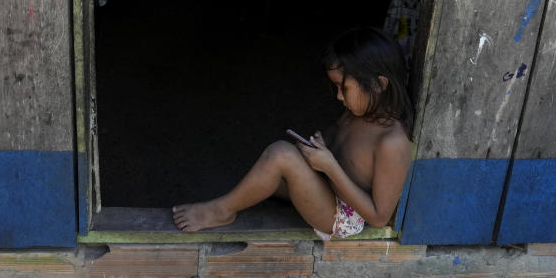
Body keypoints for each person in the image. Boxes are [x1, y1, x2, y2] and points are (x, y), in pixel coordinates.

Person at [172, 27, 414, 239]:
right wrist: (319, 147)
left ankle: (221, 211)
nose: (339, 96)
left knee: (281, 156)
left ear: (379, 85)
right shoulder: (356, 113)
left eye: (344, 88)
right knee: (268, 172)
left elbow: (379, 217)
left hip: (344, 216)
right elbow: (337, 143)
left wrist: (329, 166)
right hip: (326, 185)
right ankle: (232, 202)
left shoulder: (391, 142)